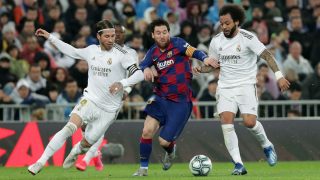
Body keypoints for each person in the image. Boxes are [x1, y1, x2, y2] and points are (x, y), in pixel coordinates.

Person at [27, 19, 144, 175]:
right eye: (107, 36)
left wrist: (122, 83)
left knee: (87, 143)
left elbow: (139, 74)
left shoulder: (123, 55)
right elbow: (71, 51)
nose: (111, 40)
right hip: (90, 100)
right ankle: (40, 162)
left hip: (109, 110)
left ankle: (77, 151)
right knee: (69, 128)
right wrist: (50, 37)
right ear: (98, 36)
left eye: (113, 36)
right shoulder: (91, 51)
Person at [194, 4, 290, 175]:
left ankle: (267, 145)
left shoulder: (248, 38)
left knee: (249, 122)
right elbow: (213, 65)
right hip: (225, 87)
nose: (224, 27)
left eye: (227, 23)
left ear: (237, 22)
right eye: (221, 23)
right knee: (226, 122)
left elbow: (267, 55)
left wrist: (279, 76)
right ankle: (238, 164)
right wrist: (201, 69)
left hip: (246, 85)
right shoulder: (216, 41)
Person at [132, 19, 218, 176]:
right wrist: (146, 69)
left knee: (164, 141)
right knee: (147, 131)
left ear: (168, 32)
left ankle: (170, 151)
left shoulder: (178, 43)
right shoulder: (153, 52)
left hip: (180, 102)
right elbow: (143, 64)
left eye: (164, 32)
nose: (162, 35)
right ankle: (143, 168)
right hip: (161, 98)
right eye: (158, 33)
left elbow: (194, 51)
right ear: (153, 35)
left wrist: (205, 58)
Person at [75, 23, 140, 172]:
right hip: (96, 93)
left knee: (100, 128)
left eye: (120, 33)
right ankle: (96, 155)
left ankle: (85, 160)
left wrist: (126, 90)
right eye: (114, 33)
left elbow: (135, 75)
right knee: (84, 125)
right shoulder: (101, 50)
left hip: (114, 96)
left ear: (124, 35)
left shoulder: (129, 53)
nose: (117, 36)